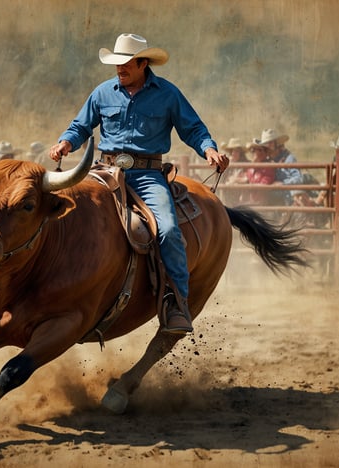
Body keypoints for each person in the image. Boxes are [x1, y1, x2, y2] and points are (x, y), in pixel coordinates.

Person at [49, 33, 229, 334]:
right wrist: (66, 142)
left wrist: (209, 149)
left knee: (169, 230)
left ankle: (176, 303)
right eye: (117, 63)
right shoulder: (103, 92)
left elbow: (193, 128)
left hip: (147, 175)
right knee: (65, 212)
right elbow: (81, 125)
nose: (119, 68)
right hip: (104, 170)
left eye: (126, 63)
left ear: (143, 63)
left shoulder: (168, 94)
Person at [255, 128, 302, 205]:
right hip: (270, 195)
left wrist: (283, 183)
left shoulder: (288, 158)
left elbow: (298, 178)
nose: (268, 146)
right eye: (266, 144)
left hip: (286, 194)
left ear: (276, 144)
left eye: (270, 143)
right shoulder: (267, 160)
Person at [239, 141, 276, 206]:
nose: (256, 152)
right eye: (254, 150)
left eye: (260, 150)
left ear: (265, 153)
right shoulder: (251, 168)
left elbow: (264, 185)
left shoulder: (268, 167)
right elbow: (245, 178)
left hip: (261, 203)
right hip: (250, 200)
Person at [218, 138, 249, 207]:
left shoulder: (246, 164)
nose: (233, 153)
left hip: (240, 193)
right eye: (232, 151)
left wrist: (235, 180)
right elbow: (221, 177)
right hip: (228, 192)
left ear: (241, 153)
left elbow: (247, 179)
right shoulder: (228, 163)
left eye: (236, 151)